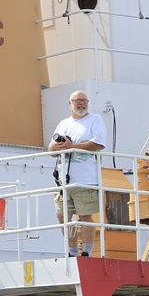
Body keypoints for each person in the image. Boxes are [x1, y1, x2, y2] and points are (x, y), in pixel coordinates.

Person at [48, 90, 107, 257]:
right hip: (63, 181)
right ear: (70, 103)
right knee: (63, 217)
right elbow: (51, 150)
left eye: (84, 100)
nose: (81, 103)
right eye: (77, 100)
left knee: (85, 216)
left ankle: (86, 252)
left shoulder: (95, 119)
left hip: (85, 179)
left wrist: (72, 147)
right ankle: (72, 252)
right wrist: (54, 147)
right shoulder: (63, 124)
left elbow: (98, 144)